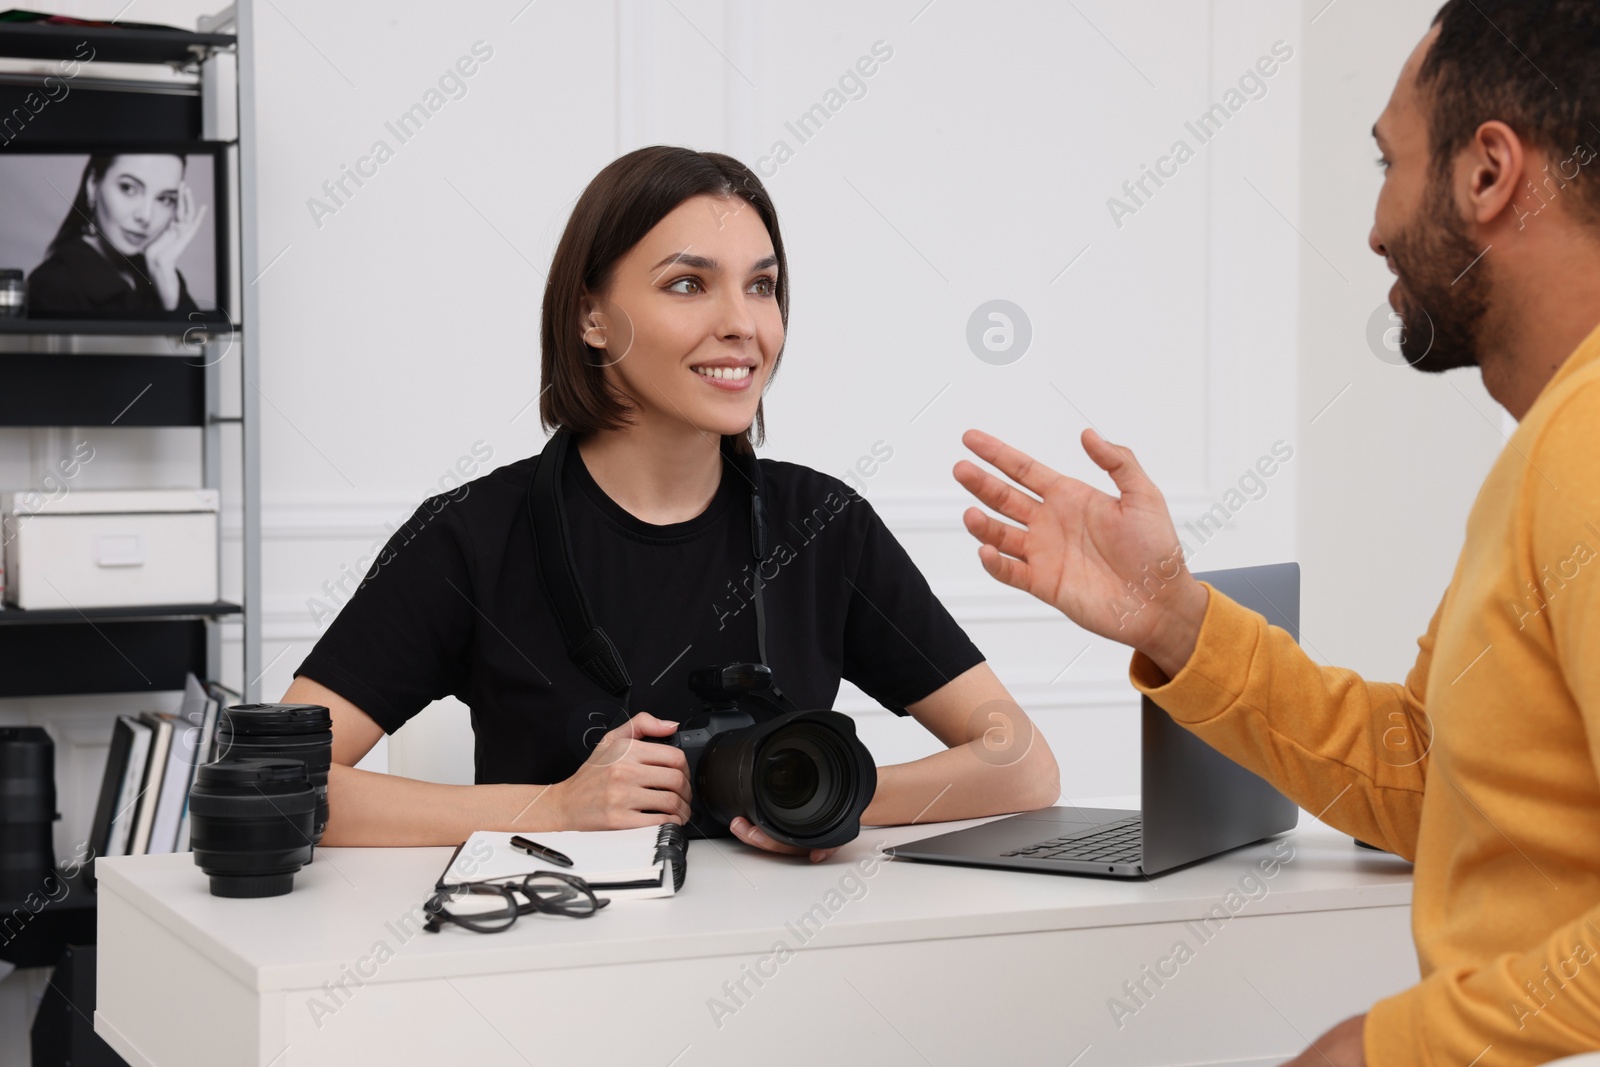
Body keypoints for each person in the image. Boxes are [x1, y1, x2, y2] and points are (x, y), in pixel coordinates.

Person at [953, 2, 1600, 1062]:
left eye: (1389, 161)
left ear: (1488, 173)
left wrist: (1389, 1046)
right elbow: (1428, 774)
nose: (1375, 223)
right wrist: (1178, 620)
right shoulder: (1546, 450)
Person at [284, 146, 1060, 861]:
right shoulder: (473, 536)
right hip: (548, 962)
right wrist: (556, 808)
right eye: (688, 284)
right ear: (592, 317)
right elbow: (282, 782)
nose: (741, 324)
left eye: (762, 285)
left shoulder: (821, 524)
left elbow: (1020, 762)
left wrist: (815, 798)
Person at [26, 153, 207, 316]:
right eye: (128, 188)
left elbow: (199, 347)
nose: (146, 216)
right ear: (93, 185)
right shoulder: (52, 285)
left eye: (164, 199)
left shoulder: (162, 272)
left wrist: (167, 282)